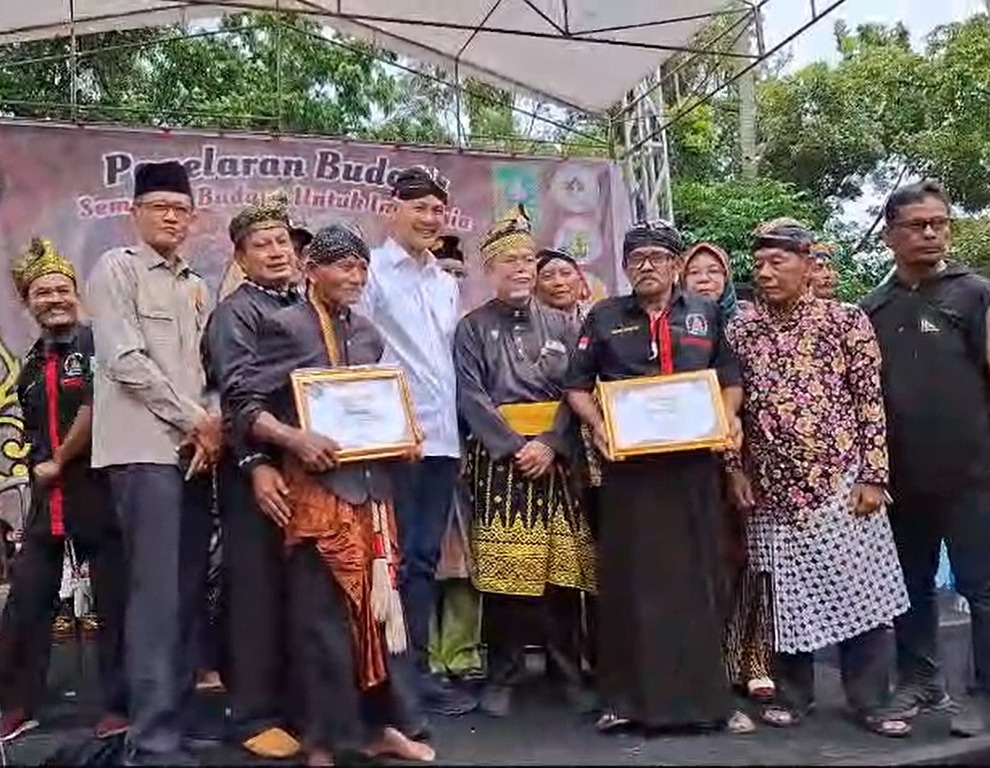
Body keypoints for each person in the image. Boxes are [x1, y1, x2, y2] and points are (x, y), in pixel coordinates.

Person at [228, 224, 434, 767]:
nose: (356, 277)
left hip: (372, 490)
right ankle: (324, 740)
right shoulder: (286, 327)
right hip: (317, 492)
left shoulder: (366, 332)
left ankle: (381, 727)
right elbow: (244, 406)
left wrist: (402, 437)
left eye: (362, 267)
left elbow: (374, 405)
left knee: (380, 615)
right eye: (344, 266)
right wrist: (292, 438)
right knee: (321, 620)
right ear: (311, 270)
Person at [725, 218, 910, 738]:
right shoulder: (740, 330)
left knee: (862, 593)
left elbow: (870, 402)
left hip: (841, 480)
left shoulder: (845, 320)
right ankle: (793, 694)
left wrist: (873, 475)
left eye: (777, 262)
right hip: (770, 490)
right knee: (784, 596)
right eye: (758, 264)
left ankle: (871, 701)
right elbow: (729, 409)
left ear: (807, 265)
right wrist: (735, 469)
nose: (765, 273)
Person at [565, 220, 752, 735]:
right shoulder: (604, 316)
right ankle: (624, 701)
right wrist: (599, 425)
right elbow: (577, 385)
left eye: (657, 257)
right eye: (636, 259)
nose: (646, 266)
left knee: (700, 580)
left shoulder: (707, 314)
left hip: (693, 469)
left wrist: (727, 419)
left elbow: (730, 380)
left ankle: (711, 702)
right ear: (626, 267)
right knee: (630, 582)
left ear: (675, 265)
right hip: (631, 473)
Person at [86, 160, 222, 766]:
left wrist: (211, 423)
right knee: (156, 596)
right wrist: (196, 419)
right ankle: (151, 738)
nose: (172, 217)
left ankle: (177, 720)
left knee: (188, 593)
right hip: (144, 452)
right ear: (135, 212)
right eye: (160, 207)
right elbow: (125, 361)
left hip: (193, 455)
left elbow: (209, 370)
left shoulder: (197, 284)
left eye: (181, 209)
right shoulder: (116, 269)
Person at [454, 207, 597, 718]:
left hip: (555, 461)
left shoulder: (563, 323)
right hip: (501, 463)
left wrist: (552, 443)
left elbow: (577, 390)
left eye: (527, 260)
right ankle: (505, 672)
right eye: (509, 261)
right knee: (504, 577)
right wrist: (515, 445)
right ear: (490, 270)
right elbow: (470, 395)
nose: (521, 268)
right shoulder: (472, 328)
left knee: (563, 576)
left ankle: (566, 670)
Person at [861, 181, 990, 736]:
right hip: (902, 480)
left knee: (981, 589)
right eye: (917, 225)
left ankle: (984, 696)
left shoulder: (976, 294)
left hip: (973, 475)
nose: (932, 233)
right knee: (911, 588)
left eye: (940, 223)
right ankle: (919, 682)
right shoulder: (872, 308)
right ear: (889, 235)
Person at [359, 166, 477, 716]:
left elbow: (445, 365)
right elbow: (360, 354)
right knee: (393, 560)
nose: (430, 218)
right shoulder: (372, 273)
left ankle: (419, 672)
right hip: (395, 440)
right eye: (419, 207)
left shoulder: (444, 283)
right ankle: (388, 677)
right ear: (394, 209)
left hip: (443, 440)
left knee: (425, 559)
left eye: (437, 209)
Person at [0, 239, 127, 743]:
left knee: (115, 602)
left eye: (61, 290)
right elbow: (31, 428)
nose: (54, 299)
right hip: (48, 499)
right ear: (27, 302)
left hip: (100, 490)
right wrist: (39, 463)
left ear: (77, 294)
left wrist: (59, 459)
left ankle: (120, 705)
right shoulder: (31, 363)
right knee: (26, 599)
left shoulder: (97, 345)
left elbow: (100, 406)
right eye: (42, 292)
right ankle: (18, 704)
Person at [201, 194, 303, 759]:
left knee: (298, 586)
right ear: (240, 258)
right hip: (256, 471)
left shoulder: (306, 306)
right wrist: (255, 464)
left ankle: (295, 703)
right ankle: (253, 713)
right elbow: (235, 398)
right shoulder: (234, 314)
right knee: (255, 586)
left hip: (306, 467)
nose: (276, 251)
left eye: (282, 241)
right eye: (261, 245)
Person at [680, 241, 775, 704]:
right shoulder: (675, 327)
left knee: (753, 559)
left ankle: (755, 659)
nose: (704, 279)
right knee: (706, 561)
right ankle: (711, 659)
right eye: (694, 272)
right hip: (694, 459)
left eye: (713, 271)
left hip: (753, 456)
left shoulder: (750, 324)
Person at [426, 233, 484, 684]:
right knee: (423, 557)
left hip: (469, 453)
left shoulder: (475, 328)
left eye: (457, 275)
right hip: (423, 451)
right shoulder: (410, 327)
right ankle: (428, 653)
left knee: (465, 560)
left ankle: (461, 652)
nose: (451, 281)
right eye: (443, 272)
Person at [535, 248, 591, 323]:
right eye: (547, 276)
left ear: (579, 279)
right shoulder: (526, 324)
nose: (558, 282)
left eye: (566, 273)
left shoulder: (597, 318)